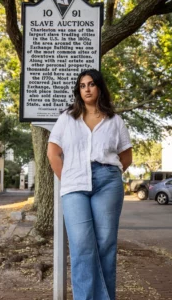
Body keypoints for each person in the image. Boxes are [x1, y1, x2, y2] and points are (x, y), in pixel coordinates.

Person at [47, 69, 132, 300]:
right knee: (82, 245)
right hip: (74, 185)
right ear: (79, 90)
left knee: (105, 244)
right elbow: (53, 153)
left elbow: (126, 157)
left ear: (100, 88)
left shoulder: (115, 121)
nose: (87, 88)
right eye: (82, 85)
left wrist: (110, 173)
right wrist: (69, 179)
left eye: (91, 84)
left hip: (108, 183)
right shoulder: (67, 118)